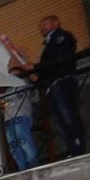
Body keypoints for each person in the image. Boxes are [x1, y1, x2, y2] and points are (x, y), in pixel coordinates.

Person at [31, 15, 85, 157]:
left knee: (68, 116)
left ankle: (78, 148)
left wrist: (37, 68)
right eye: (41, 26)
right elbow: (47, 69)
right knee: (60, 120)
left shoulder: (62, 37)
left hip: (62, 82)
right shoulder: (50, 44)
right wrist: (37, 76)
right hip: (53, 86)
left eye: (45, 23)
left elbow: (58, 61)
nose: (42, 27)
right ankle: (72, 148)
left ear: (56, 23)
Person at [0, 67, 38, 171]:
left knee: (23, 139)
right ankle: (22, 167)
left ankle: (32, 164)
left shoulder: (24, 83)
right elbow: (3, 106)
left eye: (16, 75)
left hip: (21, 116)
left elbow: (13, 94)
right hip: (9, 119)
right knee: (13, 145)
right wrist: (0, 99)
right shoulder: (7, 90)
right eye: (11, 76)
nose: (13, 78)